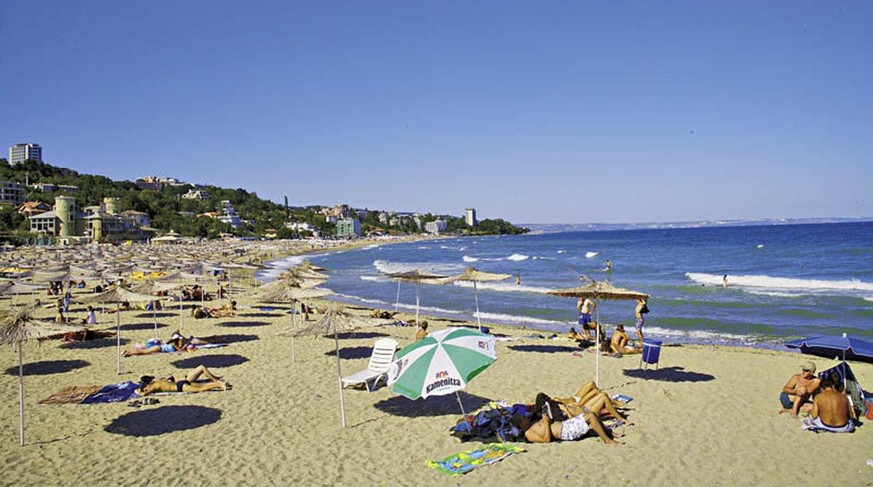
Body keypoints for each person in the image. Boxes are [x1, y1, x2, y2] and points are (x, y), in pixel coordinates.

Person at [136, 365, 231, 395]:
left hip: (179, 387)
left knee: (200, 389)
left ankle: (219, 385)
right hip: (180, 383)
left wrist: (138, 391)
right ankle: (219, 383)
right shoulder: (159, 381)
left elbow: (144, 394)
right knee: (202, 386)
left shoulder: (154, 386)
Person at [122, 331, 207, 356]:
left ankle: (128, 352)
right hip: (159, 348)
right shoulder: (175, 345)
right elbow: (181, 351)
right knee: (143, 352)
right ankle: (128, 352)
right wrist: (185, 347)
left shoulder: (174, 342)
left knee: (143, 350)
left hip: (159, 347)